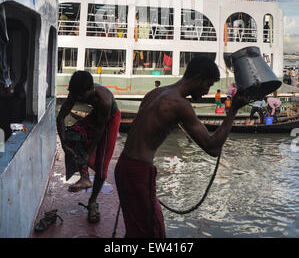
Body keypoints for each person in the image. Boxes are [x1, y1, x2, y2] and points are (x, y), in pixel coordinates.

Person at [114, 56, 249, 238]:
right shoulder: (180, 105)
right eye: (208, 85)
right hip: (138, 172)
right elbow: (212, 148)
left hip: (124, 166)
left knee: (135, 228)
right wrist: (233, 111)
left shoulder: (156, 93)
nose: (207, 90)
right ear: (199, 79)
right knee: (152, 233)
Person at [56, 71, 121, 223]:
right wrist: (65, 144)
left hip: (110, 119)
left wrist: (88, 153)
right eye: (75, 96)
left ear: (90, 89)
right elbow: (60, 117)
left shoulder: (103, 99)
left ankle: (92, 201)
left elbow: (99, 130)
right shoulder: (76, 92)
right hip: (95, 115)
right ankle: (84, 177)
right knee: (72, 135)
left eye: (80, 96)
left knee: (102, 166)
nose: (77, 99)